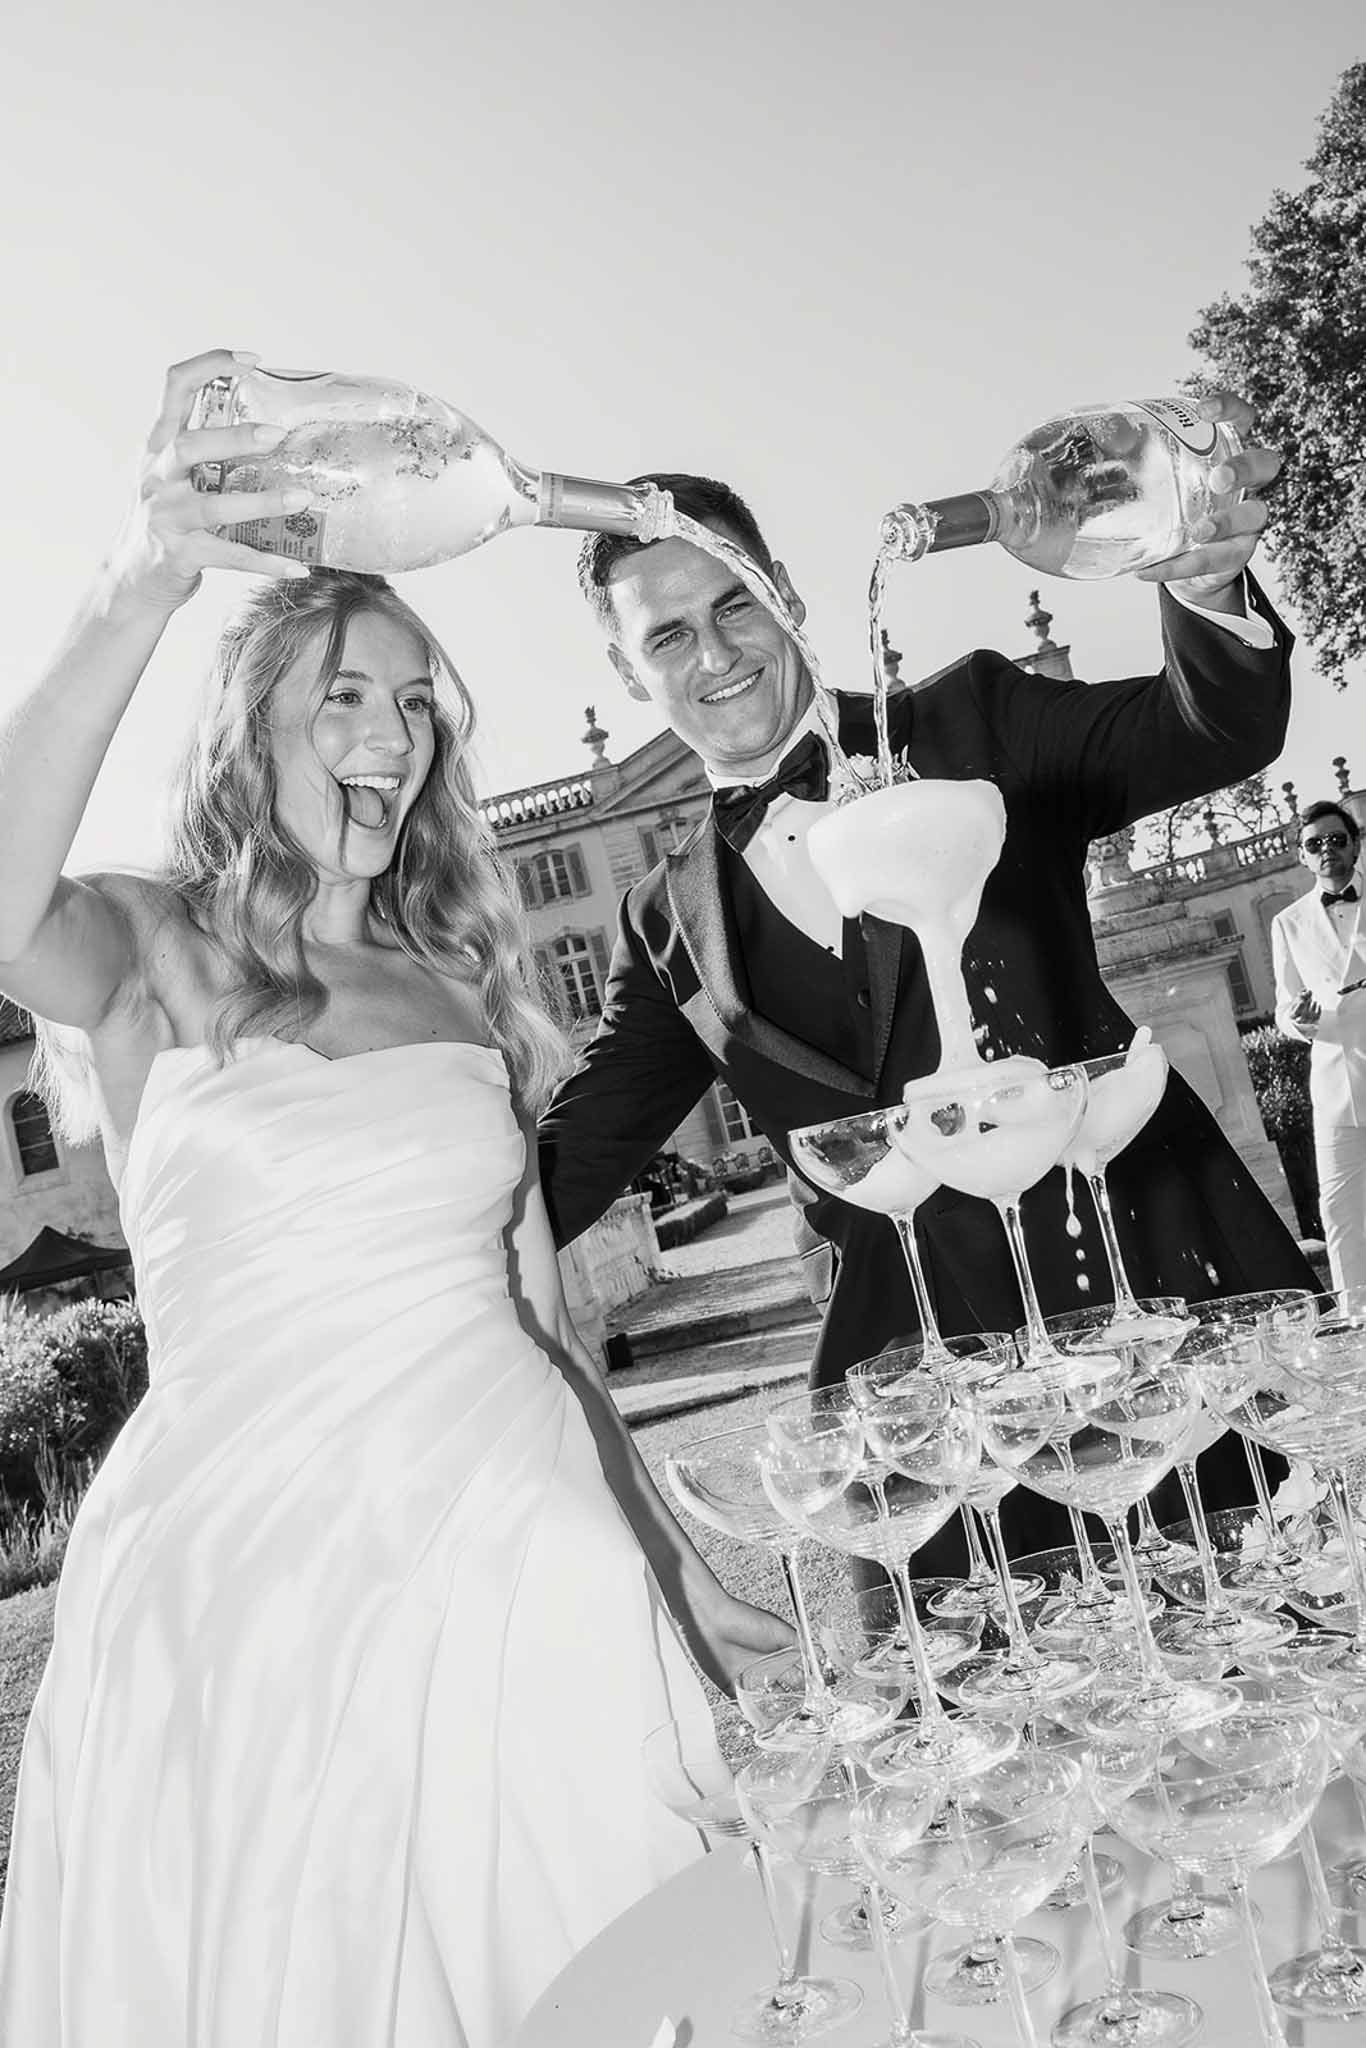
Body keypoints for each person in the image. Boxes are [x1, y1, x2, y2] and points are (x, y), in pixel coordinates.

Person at [0, 352, 786, 2048]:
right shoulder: (146, 942)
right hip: (244, 1550)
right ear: (253, 723)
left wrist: (654, 1539)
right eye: (344, 695)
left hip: (516, 1528)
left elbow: (539, 1319)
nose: (390, 732)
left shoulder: (466, 992)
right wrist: (142, 576)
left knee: (617, 1943)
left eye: (416, 700)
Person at [538, 393, 1318, 1555]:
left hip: (1150, 1311)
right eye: (666, 634)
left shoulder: (972, 722)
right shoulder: (665, 923)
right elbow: (574, 1156)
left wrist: (1203, 587)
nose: (715, 653)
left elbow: (1205, 733)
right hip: (919, 1409)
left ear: (787, 596)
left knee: (1254, 1660)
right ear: (624, 664)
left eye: (734, 602)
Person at [1272, 799, 1366, 1291]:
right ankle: (1359, 1325)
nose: (1326, 850)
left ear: (1356, 843)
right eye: (1315, 844)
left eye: (1337, 839)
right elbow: (1283, 1008)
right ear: (1302, 857)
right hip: (1337, 1084)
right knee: (1342, 1213)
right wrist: (1299, 1021)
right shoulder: (1287, 922)